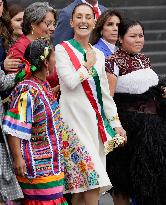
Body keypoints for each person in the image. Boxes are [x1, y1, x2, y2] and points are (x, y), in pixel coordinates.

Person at [55, 3, 126, 205]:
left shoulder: (100, 55)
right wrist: (87, 64)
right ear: (71, 21)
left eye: (88, 17)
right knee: (93, 181)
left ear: (95, 22)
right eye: (79, 17)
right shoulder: (62, 49)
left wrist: (116, 124)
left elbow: (104, 94)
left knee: (81, 190)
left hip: (94, 126)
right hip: (73, 124)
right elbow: (69, 82)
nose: (83, 21)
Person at [105, 18, 166, 205]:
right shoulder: (112, 62)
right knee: (123, 182)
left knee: (151, 183)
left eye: (141, 35)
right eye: (133, 36)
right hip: (128, 129)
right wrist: (116, 127)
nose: (139, 39)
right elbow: (109, 98)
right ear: (120, 39)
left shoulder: (144, 59)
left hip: (152, 128)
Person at [3, 37, 67, 205]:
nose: (56, 60)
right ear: (46, 62)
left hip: (51, 163)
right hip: (36, 166)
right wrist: (18, 159)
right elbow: (14, 128)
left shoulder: (41, 85)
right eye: (54, 56)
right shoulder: (27, 91)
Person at [5, 1, 59, 89]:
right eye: (48, 24)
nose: (52, 28)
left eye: (54, 24)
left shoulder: (46, 44)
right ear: (33, 24)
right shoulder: (18, 49)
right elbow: (17, 85)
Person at [90, 9, 122, 96]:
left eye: (118, 25)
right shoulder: (95, 52)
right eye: (110, 24)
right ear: (101, 30)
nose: (115, 28)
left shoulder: (120, 51)